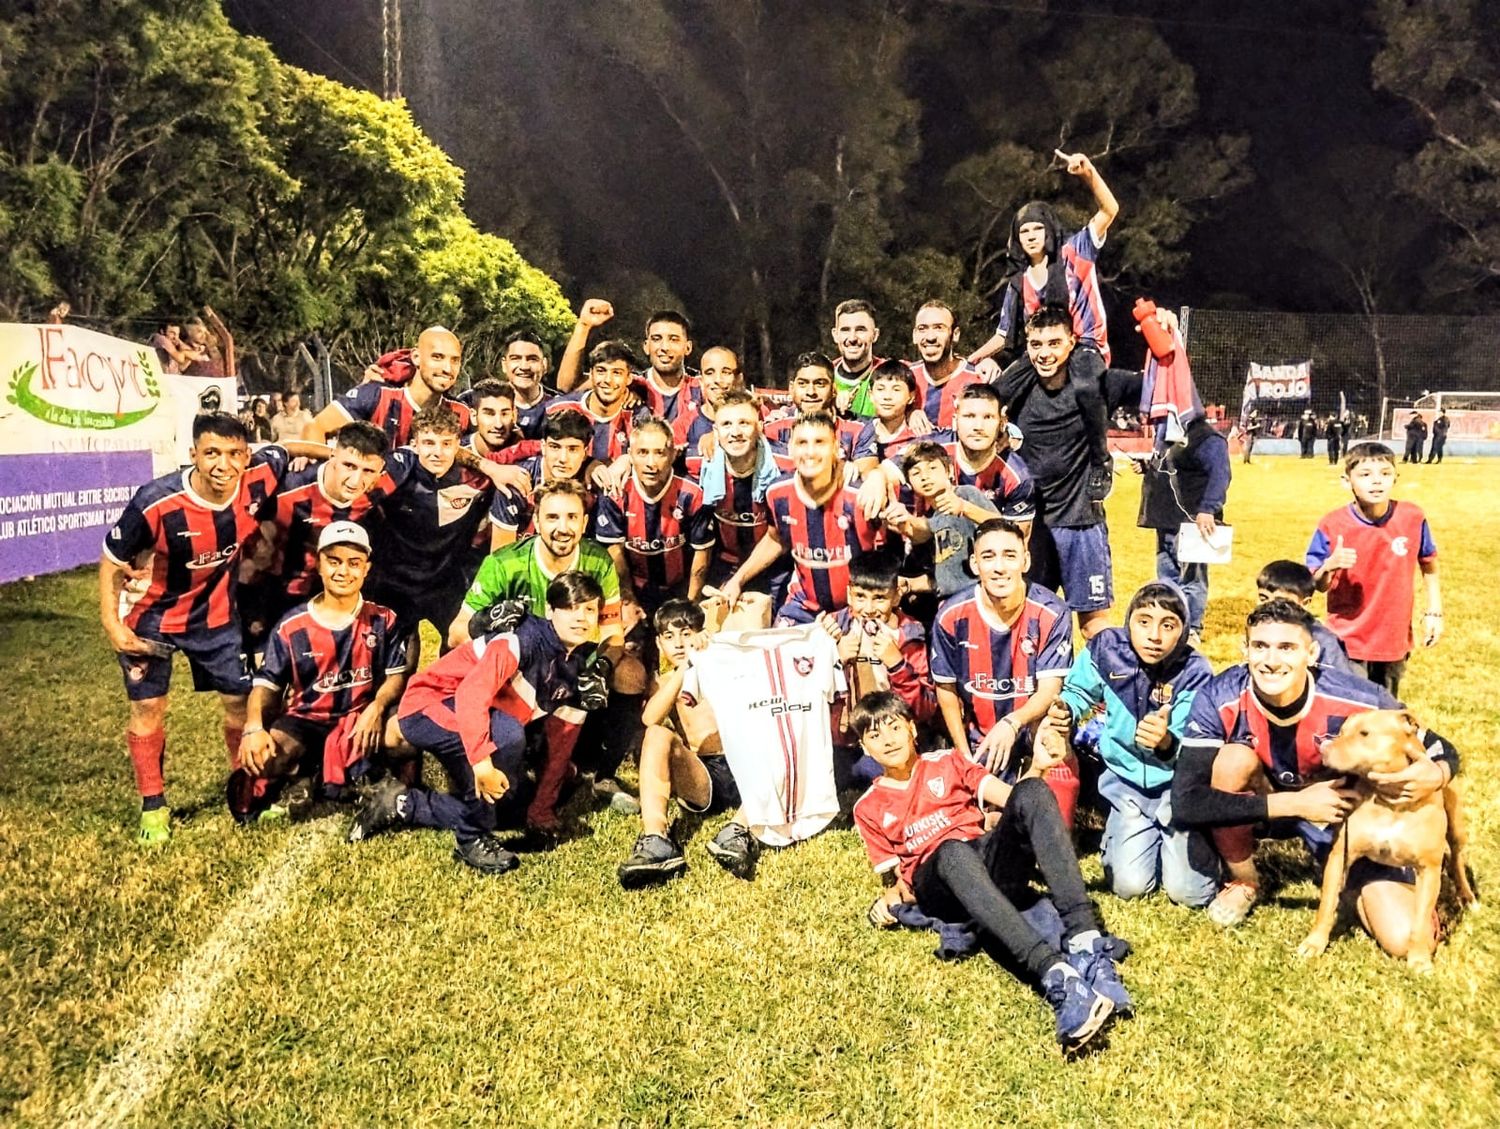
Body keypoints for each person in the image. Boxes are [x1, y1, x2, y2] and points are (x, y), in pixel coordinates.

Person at [1172, 599, 1460, 960]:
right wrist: (1295, 803)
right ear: (1244, 649)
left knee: (1402, 941)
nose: (1272, 660)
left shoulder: (1356, 698)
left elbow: (1439, 748)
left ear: (1312, 653)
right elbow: (1185, 801)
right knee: (1232, 760)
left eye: (1287, 648)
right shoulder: (1218, 697)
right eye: (1260, 646)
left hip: (1340, 818)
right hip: (1266, 801)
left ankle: (1360, 881)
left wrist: (1436, 772)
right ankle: (1245, 880)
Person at [852, 692, 1127, 1053]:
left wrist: (1039, 766)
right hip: (938, 882)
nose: (887, 739)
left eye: (893, 726)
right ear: (863, 747)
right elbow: (899, 883)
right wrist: (891, 898)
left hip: (982, 857)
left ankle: (1087, 944)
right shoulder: (868, 807)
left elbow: (1013, 801)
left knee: (1031, 791)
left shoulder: (948, 762)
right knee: (951, 852)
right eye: (874, 735)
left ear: (912, 729)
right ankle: (1058, 978)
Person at [99, 413, 314, 843]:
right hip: (151, 617)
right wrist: (110, 623)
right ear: (193, 453)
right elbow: (111, 560)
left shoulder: (258, 475)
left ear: (246, 456)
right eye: (211, 453)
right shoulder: (155, 501)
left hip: (216, 618)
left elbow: (290, 448)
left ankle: (247, 790)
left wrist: (347, 457)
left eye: (234, 454)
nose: (223, 464)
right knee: (148, 708)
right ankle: (153, 806)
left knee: (239, 705)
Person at [356, 573, 604, 874]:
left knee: (510, 809)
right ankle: (471, 837)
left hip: (481, 719)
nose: (581, 617)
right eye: (571, 608)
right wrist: (483, 765)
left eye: (589, 609)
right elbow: (471, 694)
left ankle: (401, 803)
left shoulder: (578, 671)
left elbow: (562, 742)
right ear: (551, 611)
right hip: (429, 705)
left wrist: (541, 810)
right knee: (507, 738)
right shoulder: (520, 638)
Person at [1047, 582, 1217, 906]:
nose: (1154, 635)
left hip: (1177, 788)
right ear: (1129, 622)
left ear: (1183, 632)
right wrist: (1067, 709)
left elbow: (1196, 745)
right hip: (1125, 787)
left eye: (1168, 625)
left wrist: (1167, 742)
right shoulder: (1107, 648)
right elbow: (1080, 692)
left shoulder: (1195, 672)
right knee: (1130, 886)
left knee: (1190, 894)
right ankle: (1137, 837)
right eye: (1144, 622)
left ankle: (1193, 836)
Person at [233, 522, 409, 822]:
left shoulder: (383, 618)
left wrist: (377, 708)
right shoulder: (291, 626)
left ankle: (377, 775)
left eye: (354, 563)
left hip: (359, 718)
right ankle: (308, 771)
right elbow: (265, 684)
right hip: (307, 720)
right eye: (334, 561)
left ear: (367, 568)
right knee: (263, 759)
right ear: (318, 564)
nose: (343, 572)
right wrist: (253, 726)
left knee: (404, 739)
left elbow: (396, 676)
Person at [929, 519, 1078, 826]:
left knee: (1055, 738)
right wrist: (964, 754)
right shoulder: (951, 616)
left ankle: (1058, 826)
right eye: (988, 556)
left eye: (1009, 555)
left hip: (1029, 726)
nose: (999, 567)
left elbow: (1050, 689)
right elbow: (946, 691)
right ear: (974, 563)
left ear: (1025, 560)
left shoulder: (1053, 611)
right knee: (987, 825)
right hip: (981, 736)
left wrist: (1013, 722)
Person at [992, 308, 1115, 637]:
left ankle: (1094, 688)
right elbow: (985, 405)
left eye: (1054, 343)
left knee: (1093, 627)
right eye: (1035, 344)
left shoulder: (1087, 386)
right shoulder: (1020, 386)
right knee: (1030, 622)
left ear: (1072, 342)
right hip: (1032, 527)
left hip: (1080, 522)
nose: (1044, 353)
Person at [615, 600, 750, 887]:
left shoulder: (725, 664)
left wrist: (709, 653)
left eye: (686, 633)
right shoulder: (665, 681)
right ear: (659, 643)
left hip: (745, 762)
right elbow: (650, 717)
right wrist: (684, 670)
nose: (678, 643)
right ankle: (656, 839)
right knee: (656, 734)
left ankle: (739, 831)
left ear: (702, 633)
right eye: (669, 636)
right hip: (704, 774)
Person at [718, 411, 882, 624]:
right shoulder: (777, 493)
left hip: (857, 611)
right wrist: (737, 580)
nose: (810, 452)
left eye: (820, 442)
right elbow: (776, 539)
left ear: (835, 449)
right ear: (790, 449)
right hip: (803, 607)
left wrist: (880, 475)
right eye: (802, 443)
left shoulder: (861, 495)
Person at [1305, 442, 1440, 697]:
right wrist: (1329, 566)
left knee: (1385, 713)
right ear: (1347, 481)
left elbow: (1429, 564)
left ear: (1395, 478)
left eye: (1385, 474)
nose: (1376, 482)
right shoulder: (1332, 524)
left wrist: (1434, 612)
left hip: (1393, 639)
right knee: (1350, 712)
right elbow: (1317, 585)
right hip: (1346, 641)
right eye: (1365, 475)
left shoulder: (1412, 517)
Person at [968, 150, 1120, 369]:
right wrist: (968, 363)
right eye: (1024, 231)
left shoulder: (1075, 251)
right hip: (1044, 355)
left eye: (1037, 228)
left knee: (1085, 388)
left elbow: (1109, 210)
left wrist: (1088, 173)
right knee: (1002, 388)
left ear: (1048, 230)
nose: (1031, 235)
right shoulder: (1019, 281)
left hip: (1086, 348)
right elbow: (1003, 335)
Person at [815, 552, 935, 788]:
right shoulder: (833, 627)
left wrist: (897, 664)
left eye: (879, 598)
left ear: (896, 596)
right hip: (844, 741)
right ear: (849, 593)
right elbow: (808, 692)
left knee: (885, 774)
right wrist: (834, 658)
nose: (868, 608)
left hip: (889, 739)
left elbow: (925, 708)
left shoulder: (910, 635)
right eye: (860, 596)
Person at [595, 417, 716, 612]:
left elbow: (701, 554)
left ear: (672, 455)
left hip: (680, 587)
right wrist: (628, 601)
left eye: (659, 453)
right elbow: (614, 552)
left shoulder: (692, 494)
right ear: (630, 455)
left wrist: (691, 604)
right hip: (634, 589)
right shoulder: (615, 493)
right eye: (642, 453)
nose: (651, 463)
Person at [1136, 412, 1231, 645]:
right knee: (1167, 578)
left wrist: (1208, 508)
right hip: (1164, 520)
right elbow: (1175, 467)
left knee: (1192, 579)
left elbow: (1221, 474)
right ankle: (1171, 622)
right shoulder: (1167, 434)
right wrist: (1147, 466)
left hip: (1192, 523)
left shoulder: (1206, 437)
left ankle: (1191, 630)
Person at [304, 326, 470, 447]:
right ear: (416, 357)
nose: (447, 368)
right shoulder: (377, 395)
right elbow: (315, 427)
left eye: (455, 360)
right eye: (437, 357)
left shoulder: (461, 412)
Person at [881, 441, 999, 602]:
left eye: (932, 468)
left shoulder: (966, 495)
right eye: (916, 473)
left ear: (949, 470)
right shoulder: (924, 517)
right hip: (947, 602)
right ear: (909, 483)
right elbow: (941, 578)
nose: (925, 477)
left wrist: (964, 508)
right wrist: (909, 584)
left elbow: (1006, 529)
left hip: (981, 594)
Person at [1253, 559, 1356, 675]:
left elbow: (1341, 684)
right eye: (1263, 598)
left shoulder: (1324, 641)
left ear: (1305, 603)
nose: (1270, 606)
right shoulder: (1256, 631)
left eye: (1281, 601)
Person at [907, 301, 985, 430]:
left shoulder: (978, 379)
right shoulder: (905, 377)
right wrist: (908, 413)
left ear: (955, 334)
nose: (930, 337)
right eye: (922, 329)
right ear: (915, 335)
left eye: (939, 328)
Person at [828, 298, 885, 418]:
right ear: (835, 335)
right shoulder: (823, 376)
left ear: (875, 335)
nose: (852, 338)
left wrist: (914, 412)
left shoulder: (891, 374)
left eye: (860, 330)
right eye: (845, 330)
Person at [500, 331, 554, 440]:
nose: (524, 366)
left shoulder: (559, 406)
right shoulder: (478, 401)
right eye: (516, 358)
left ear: (544, 365)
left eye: (532, 359)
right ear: (504, 365)